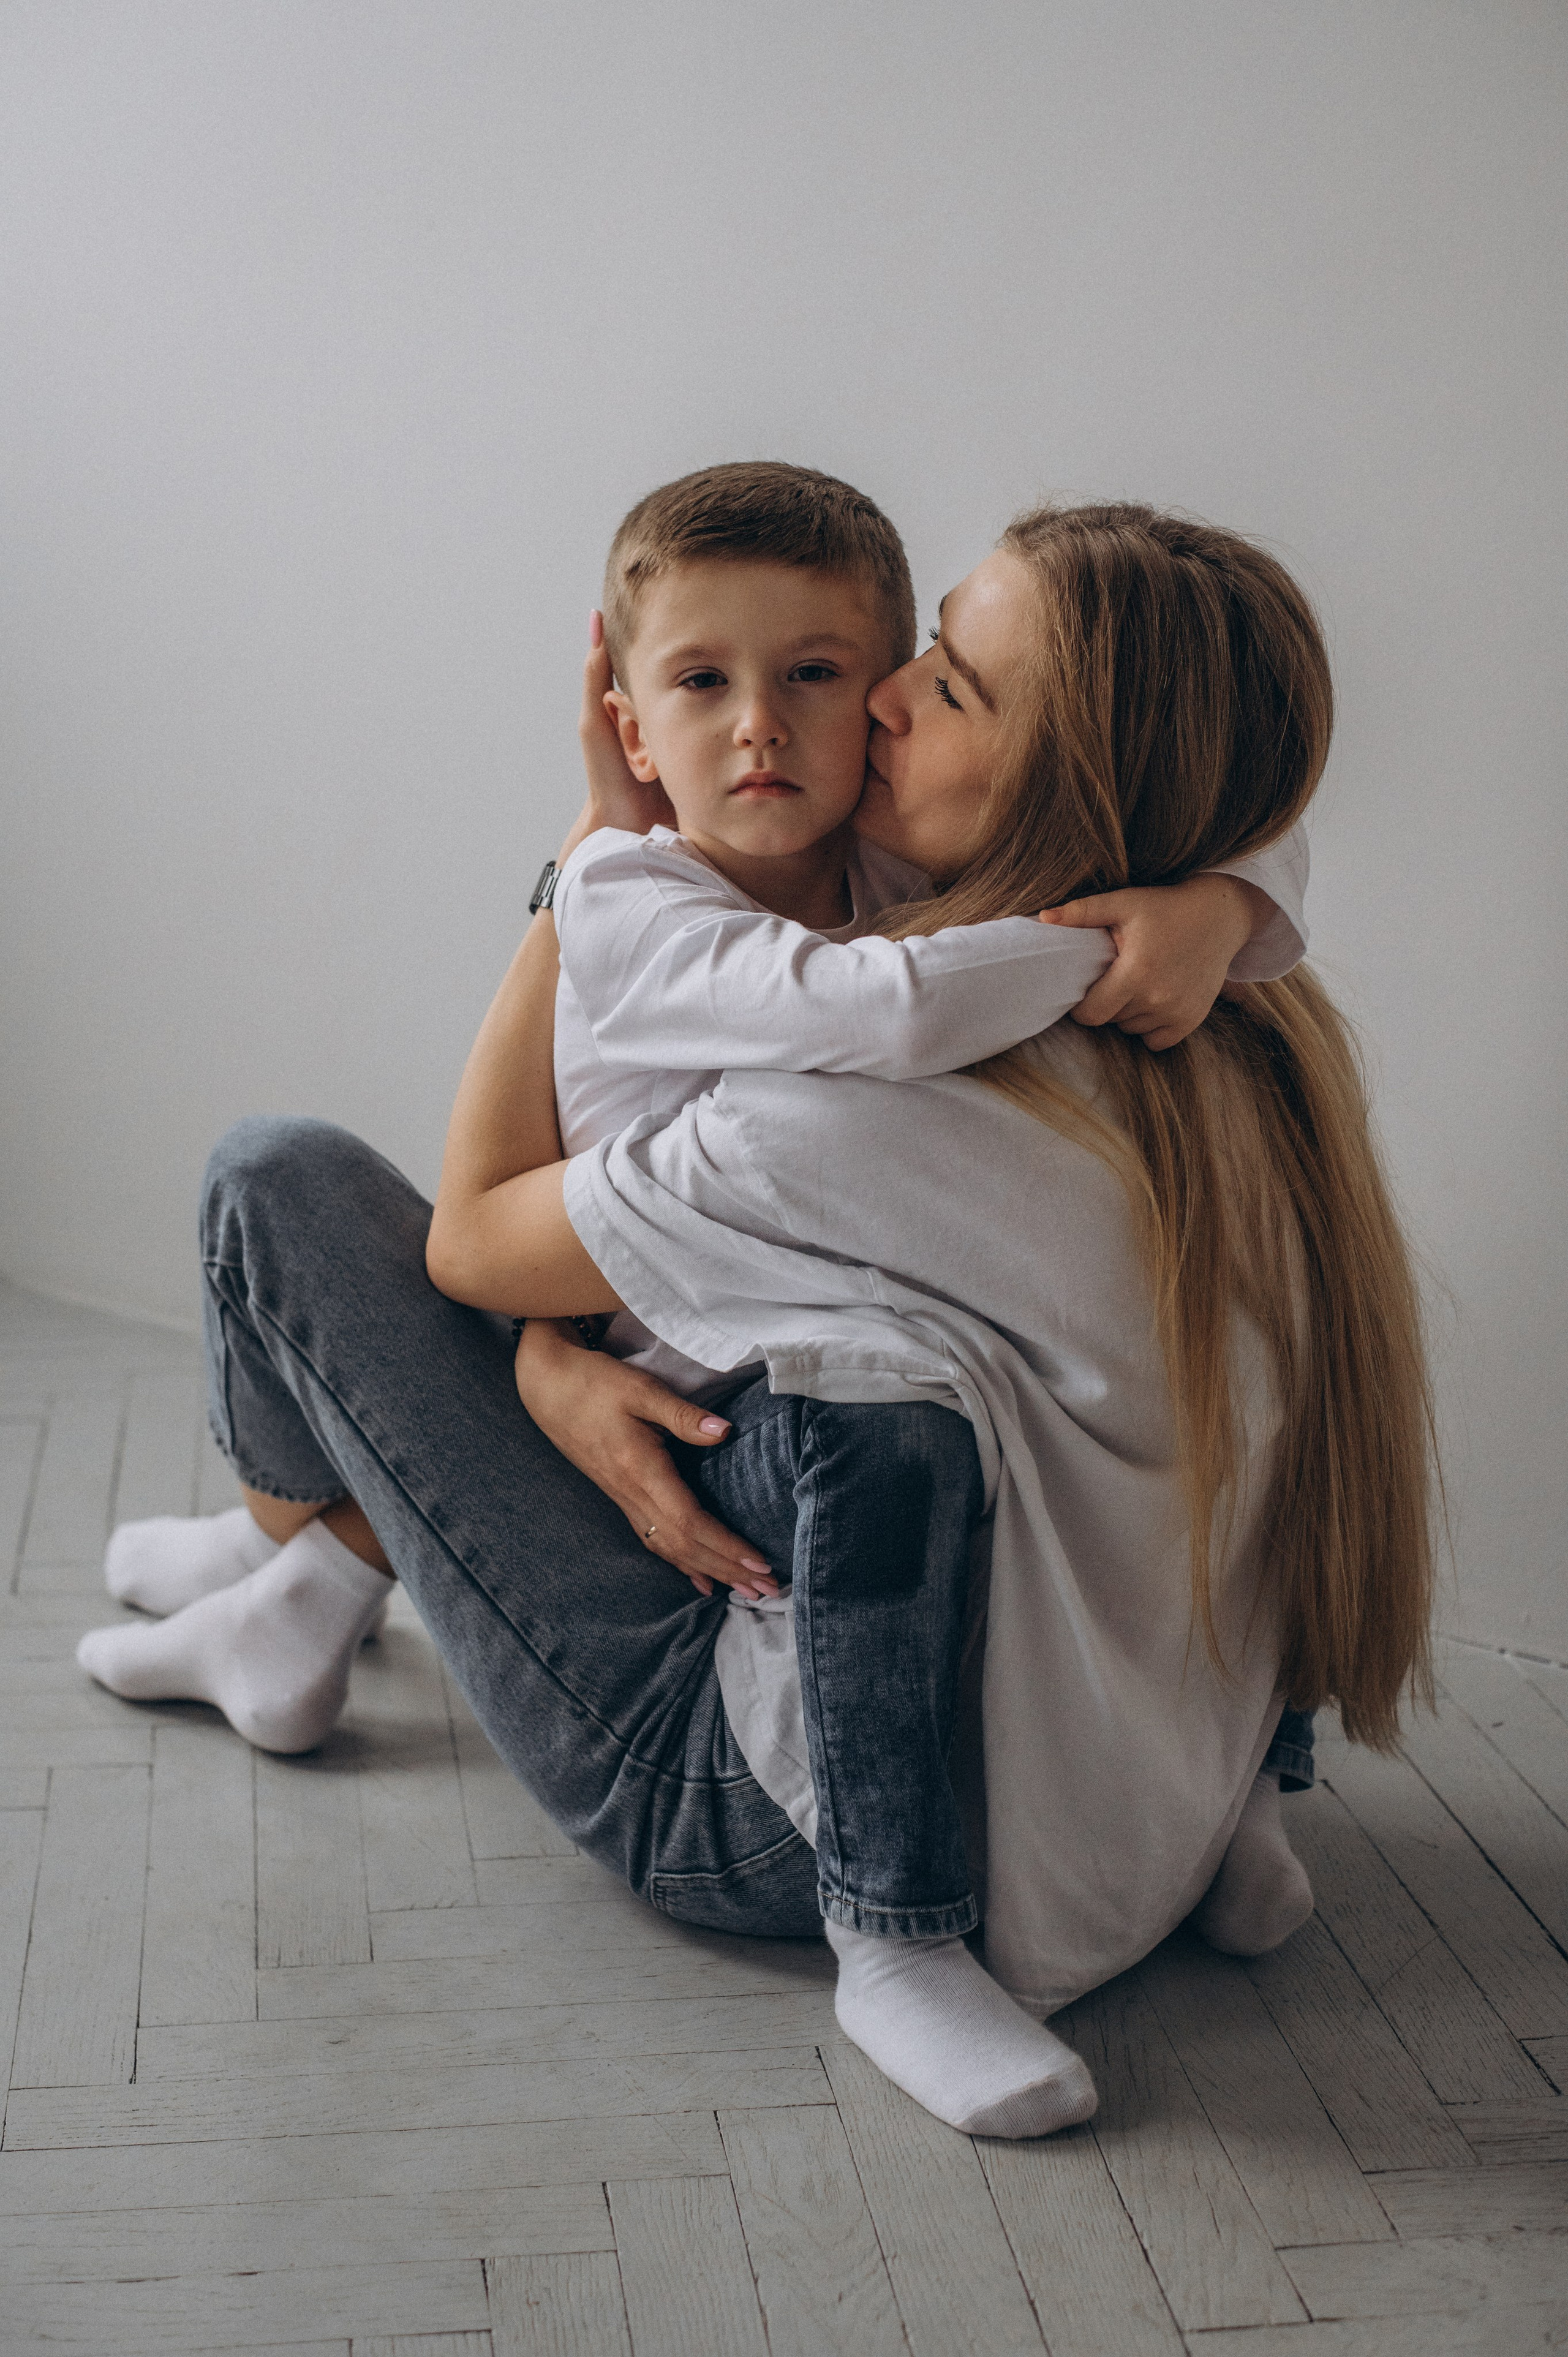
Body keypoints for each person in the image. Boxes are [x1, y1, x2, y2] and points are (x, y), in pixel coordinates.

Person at [69, 495, 1431, 2138]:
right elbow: (1242, 805)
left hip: (779, 1816)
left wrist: (586, 869)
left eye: (952, 684)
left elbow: (479, 1244)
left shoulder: (846, 1114)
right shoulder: (1252, 1037)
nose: (884, 701)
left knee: (275, 1184)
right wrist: (1214, 905)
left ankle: (311, 1546)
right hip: (1143, 1788)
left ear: (1065, 786)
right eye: (924, 646)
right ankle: (301, 1580)